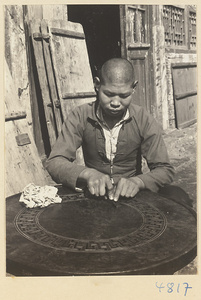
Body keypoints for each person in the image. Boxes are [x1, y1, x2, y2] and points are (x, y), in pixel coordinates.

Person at [46, 58, 193, 206]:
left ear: (133, 87)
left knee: (178, 197)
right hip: (94, 192)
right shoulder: (80, 115)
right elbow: (55, 162)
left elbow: (165, 169)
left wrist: (137, 182)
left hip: (132, 194)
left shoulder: (143, 119)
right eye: (109, 94)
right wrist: (88, 174)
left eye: (124, 96)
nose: (115, 103)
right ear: (97, 85)